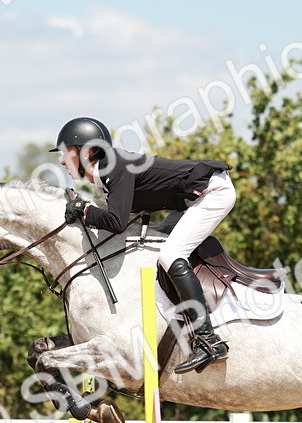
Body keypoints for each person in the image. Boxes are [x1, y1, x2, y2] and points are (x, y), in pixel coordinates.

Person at [50, 116, 233, 374]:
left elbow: (116, 221)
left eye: (67, 154)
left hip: (212, 193)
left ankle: (208, 340)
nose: (61, 161)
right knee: (158, 246)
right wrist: (85, 211)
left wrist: (85, 209)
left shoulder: (113, 167)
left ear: (88, 152)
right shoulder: (106, 175)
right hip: (190, 201)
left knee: (171, 254)